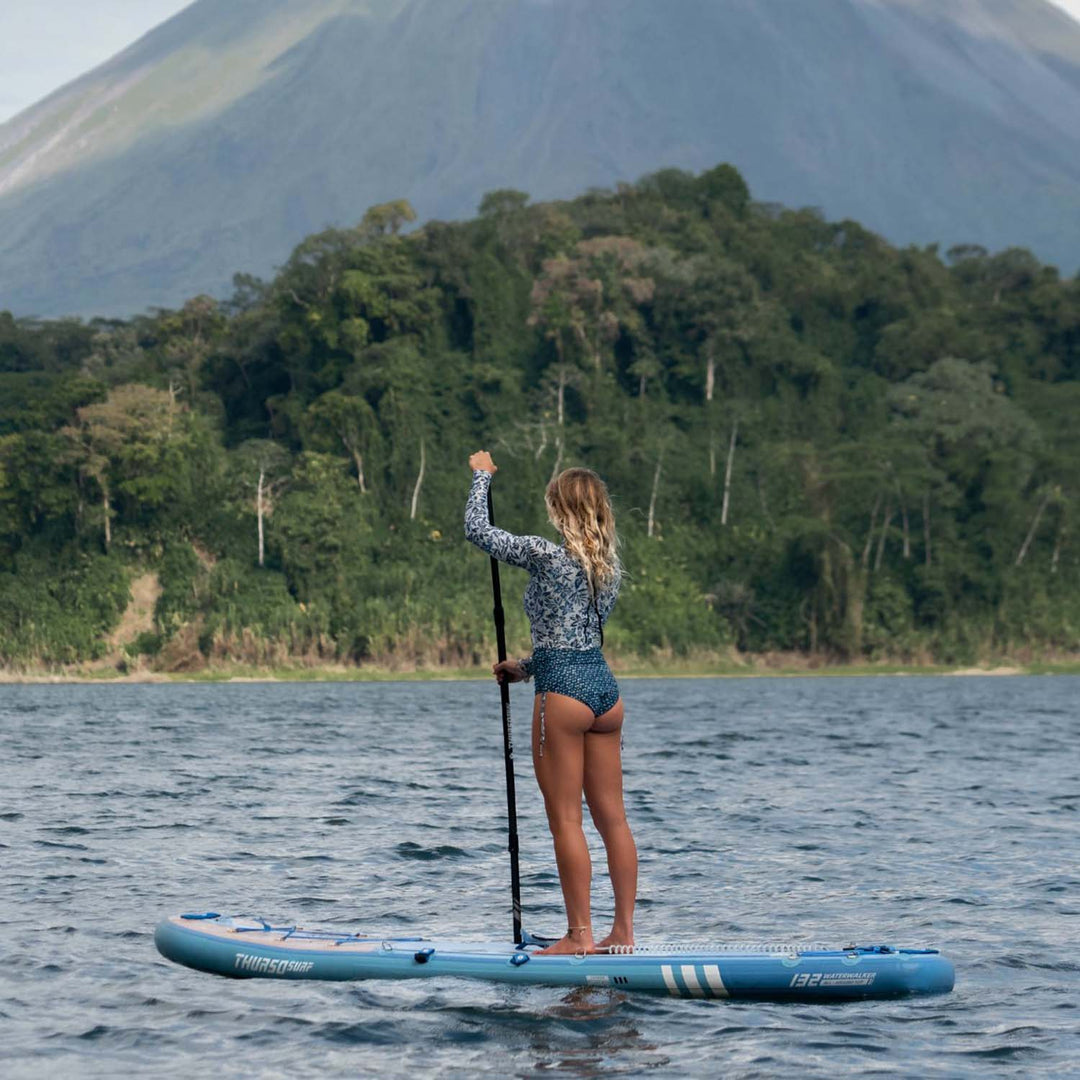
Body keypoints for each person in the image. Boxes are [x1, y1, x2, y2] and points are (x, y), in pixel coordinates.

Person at [464, 449, 637, 955]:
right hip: (605, 693)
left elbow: (479, 531)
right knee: (614, 820)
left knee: (566, 818)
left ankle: (579, 936)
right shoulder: (608, 569)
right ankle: (623, 932)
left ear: (560, 510)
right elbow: (575, 635)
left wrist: (482, 477)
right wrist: (526, 666)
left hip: (563, 695)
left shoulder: (546, 554)